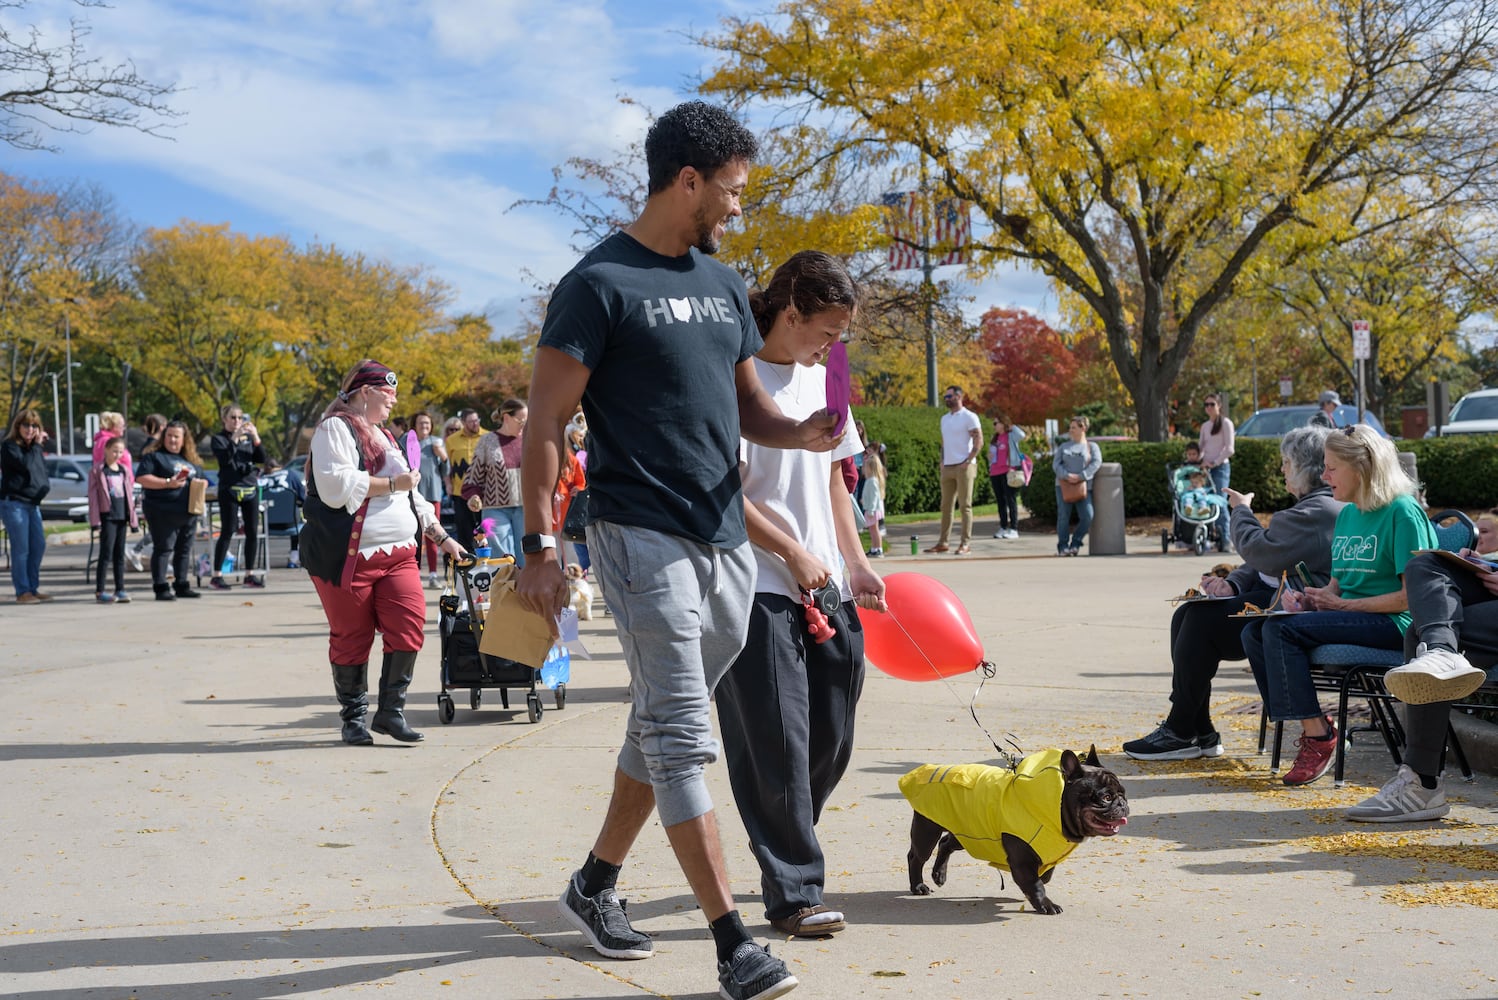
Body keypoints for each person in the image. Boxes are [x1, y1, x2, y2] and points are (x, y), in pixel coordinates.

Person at [515, 100, 837, 1000]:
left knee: (661, 718)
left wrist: (800, 433)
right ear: (686, 180)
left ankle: (594, 882)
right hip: (636, 532)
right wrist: (537, 542)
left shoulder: (727, 285)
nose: (738, 209)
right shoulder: (599, 283)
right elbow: (545, 421)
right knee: (684, 730)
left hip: (725, 538)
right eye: (730, 192)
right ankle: (734, 941)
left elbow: (745, 410)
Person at [714, 250, 886, 940]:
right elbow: (722, 491)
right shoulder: (735, 377)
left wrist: (857, 561)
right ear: (791, 313)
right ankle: (794, 893)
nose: (832, 346)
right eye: (826, 331)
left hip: (829, 585)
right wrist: (789, 551)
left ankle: (779, 834)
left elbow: (836, 486)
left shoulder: (828, 379)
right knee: (778, 744)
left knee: (831, 737)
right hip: (757, 585)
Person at [1124, 427, 1341, 760]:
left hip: (1294, 609)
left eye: (1286, 462)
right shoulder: (1310, 509)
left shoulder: (1317, 511)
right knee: (1188, 614)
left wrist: (1240, 510)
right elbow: (1263, 561)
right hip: (1276, 600)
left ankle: (1183, 729)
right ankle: (1198, 730)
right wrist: (1233, 583)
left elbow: (1261, 551)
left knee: (1198, 619)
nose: (1282, 470)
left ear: (1304, 467)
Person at [1241, 424, 1437, 786]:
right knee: (1255, 631)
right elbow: (1338, 584)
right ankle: (1312, 725)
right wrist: (1311, 599)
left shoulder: (1402, 513)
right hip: (1357, 616)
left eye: (1332, 467)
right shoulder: (1348, 513)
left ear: (1361, 468)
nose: (1323, 474)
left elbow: (1413, 598)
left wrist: (1341, 607)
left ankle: (1318, 737)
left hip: (1398, 624)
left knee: (1279, 631)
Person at [299, 359, 466, 746]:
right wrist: (393, 482)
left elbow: (414, 496)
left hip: (400, 555)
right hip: (348, 558)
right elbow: (335, 488)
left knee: (408, 628)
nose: (393, 400)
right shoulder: (333, 429)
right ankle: (353, 718)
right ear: (365, 392)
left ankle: (391, 712)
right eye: (387, 393)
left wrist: (442, 538)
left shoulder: (386, 436)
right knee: (351, 636)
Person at [136, 419, 205, 601]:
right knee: (164, 548)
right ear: (163, 437)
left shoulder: (190, 461)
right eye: (169, 436)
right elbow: (142, 478)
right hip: (162, 510)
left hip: (188, 511)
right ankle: (160, 587)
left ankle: (181, 585)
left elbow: (203, 478)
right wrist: (168, 483)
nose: (172, 440)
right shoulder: (154, 457)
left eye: (176, 437)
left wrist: (202, 483)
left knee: (184, 549)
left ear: (184, 440)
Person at [209, 404, 268, 590]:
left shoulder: (248, 438)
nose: (237, 421)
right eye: (232, 418)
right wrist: (234, 439)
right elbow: (225, 459)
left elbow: (263, 458)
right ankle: (216, 576)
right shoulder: (219, 439)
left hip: (249, 488)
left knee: (252, 531)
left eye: (240, 418)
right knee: (228, 530)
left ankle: (249, 574)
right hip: (229, 489)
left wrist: (256, 437)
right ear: (224, 419)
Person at [463, 398, 527, 563]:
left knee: (526, 556)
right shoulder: (487, 441)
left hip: (525, 507)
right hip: (495, 509)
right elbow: (473, 475)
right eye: (521, 421)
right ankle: (505, 589)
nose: (524, 425)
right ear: (506, 418)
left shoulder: (529, 439)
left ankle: (524, 590)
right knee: (502, 560)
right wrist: (473, 496)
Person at [0, 409, 52, 603]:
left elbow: (39, 471)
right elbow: (27, 466)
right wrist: (37, 446)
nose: (30, 429)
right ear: (18, 426)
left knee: (38, 545)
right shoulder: (9, 446)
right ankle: (23, 591)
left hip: (32, 503)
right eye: (26, 425)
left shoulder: (34, 449)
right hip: (14, 503)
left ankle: (32, 587)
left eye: (34, 426)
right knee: (21, 549)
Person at [926, 385, 982, 555]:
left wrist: (969, 460)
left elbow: (979, 439)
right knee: (946, 507)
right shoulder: (945, 419)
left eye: (949, 396)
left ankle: (965, 543)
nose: (947, 399)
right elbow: (944, 442)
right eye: (945, 397)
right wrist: (942, 461)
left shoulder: (969, 417)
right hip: (948, 466)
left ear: (959, 396)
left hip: (964, 466)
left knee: (965, 506)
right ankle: (943, 542)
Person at [88, 435, 138, 603]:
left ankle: (120, 588)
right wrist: (96, 521)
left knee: (119, 555)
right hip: (107, 516)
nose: (117, 454)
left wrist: (133, 518)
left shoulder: (123, 470)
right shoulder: (98, 470)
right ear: (106, 450)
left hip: (121, 516)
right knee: (106, 554)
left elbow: (129, 495)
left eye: (120, 452)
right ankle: (100, 590)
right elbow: (94, 498)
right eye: (114, 451)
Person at [1052, 415, 1102, 556]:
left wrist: (1081, 476)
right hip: (1063, 486)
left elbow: (1096, 463)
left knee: (1088, 515)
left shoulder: (1092, 447)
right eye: (1070, 427)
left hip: (1084, 488)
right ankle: (1063, 546)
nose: (1071, 430)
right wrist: (1066, 476)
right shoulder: (1063, 447)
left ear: (1083, 428)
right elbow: (1056, 464)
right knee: (1063, 516)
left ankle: (1076, 543)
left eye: (1074, 427)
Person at [125, 413, 167, 572]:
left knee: (160, 530)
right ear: (162, 427)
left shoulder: (147, 446)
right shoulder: (154, 448)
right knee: (161, 529)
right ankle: (137, 549)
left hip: (151, 493)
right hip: (155, 493)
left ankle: (146, 553)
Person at [412, 412, 449, 587]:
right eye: (421, 423)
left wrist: (443, 456)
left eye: (427, 423)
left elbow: (445, 471)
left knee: (433, 535)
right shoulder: (408, 443)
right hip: (413, 495)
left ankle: (433, 574)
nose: (424, 426)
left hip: (433, 494)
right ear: (415, 425)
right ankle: (414, 574)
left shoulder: (436, 443)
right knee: (414, 535)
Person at [446, 408, 484, 558]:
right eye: (471, 422)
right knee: (464, 532)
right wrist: (448, 483)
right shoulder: (451, 440)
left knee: (485, 531)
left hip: (483, 494)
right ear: (463, 423)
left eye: (477, 420)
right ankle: (467, 563)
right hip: (459, 493)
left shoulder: (487, 436)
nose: (475, 424)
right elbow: (447, 466)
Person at [1198, 393, 1235, 546]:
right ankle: (1210, 538)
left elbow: (1230, 449)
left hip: (1220, 468)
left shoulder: (1226, 423)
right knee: (1204, 502)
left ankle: (1226, 540)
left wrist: (1215, 462)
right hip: (1206, 469)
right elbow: (1201, 447)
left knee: (1220, 502)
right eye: (1206, 405)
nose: (1209, 408)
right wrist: (1199, 460)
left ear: (1219, 406)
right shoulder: (1205, 426)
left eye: (1212, 404)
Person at [987, 415, 1026, 540]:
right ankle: (1003, 527)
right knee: (1000, 501)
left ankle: (1014, 528)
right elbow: (992, 455)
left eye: (996, 423)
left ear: (1003, 423)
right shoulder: (995, 438)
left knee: (1011, 499)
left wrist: (1011, 425)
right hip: (995, 472)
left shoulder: (1011, 436)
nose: (994, 425)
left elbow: (1022, 435)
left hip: (1008, 471)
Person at [565, 423, 591, 573]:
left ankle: (584, 567)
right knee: (578, 535)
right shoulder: (570, 455)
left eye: (581, 435)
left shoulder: (584, 453)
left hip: (588, 497)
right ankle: (582, 569)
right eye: (577, 434)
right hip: (576, 501)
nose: (579, 437)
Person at [860, 442, 886, 557]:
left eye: (866, 467)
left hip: (872, 510)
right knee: (872, 530)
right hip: (870, 509)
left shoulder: (873, 481)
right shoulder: (870, 480)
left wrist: (871, 510)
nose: (864, 470)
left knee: (874, 530)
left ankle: (878, 548)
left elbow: (875, 497)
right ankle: (874, 547)